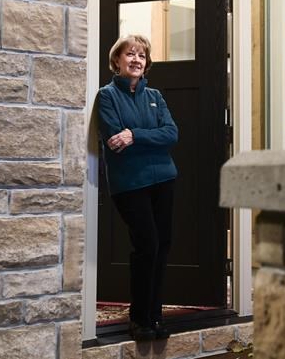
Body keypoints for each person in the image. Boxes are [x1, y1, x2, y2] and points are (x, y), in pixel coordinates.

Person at [98, 34, 178, 341]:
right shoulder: (106, 96)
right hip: (130, 183)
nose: (136, 60)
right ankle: (139, 318)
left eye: (141, 56)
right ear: (116, 61)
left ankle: (155, 316)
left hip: (164, 179)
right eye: (130, 54)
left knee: (162, 247)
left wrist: (134, 135)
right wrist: (143, 137)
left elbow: (171, 133)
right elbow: (114, 140)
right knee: (147, 245)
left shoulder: (155, 95)